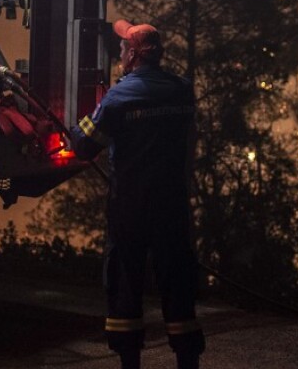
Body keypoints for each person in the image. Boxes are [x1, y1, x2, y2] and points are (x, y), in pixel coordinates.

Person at [69, 19, 204, 369]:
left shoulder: (121, 96)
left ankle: (130, 361)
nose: (119, 53)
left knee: (125, 282)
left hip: (131, 206)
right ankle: (187, 360)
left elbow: (84, 145)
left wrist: (78, 124)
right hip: (173, 204)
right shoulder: (182, 89)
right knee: (177, 282)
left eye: (122, 48)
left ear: (131, 55)